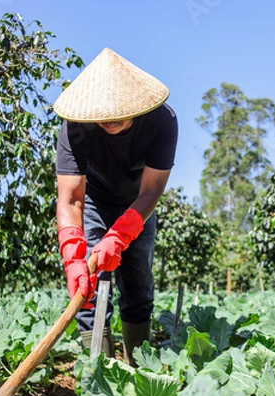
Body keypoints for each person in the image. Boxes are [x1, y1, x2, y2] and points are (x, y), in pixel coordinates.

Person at [52, 48, 178, 365]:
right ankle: (101, 374)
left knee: (138, 287)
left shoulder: (162, 122)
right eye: (102, 115)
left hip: (138, 205)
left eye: (117, 112)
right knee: (89, 290)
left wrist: (119, 235)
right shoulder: (75, 127)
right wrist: (72, 255)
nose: (108, 120)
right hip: (93, 201)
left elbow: (151, 191)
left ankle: (137, 370)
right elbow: (70, 199)